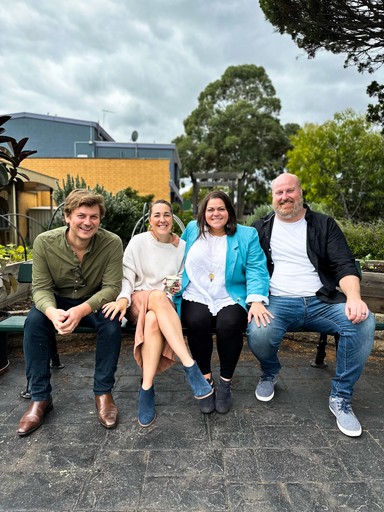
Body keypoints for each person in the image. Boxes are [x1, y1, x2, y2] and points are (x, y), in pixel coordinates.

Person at [247, 172, 375, 437]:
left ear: (300, 192)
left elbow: (344, 265)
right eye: (278, 193)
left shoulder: (324, 225)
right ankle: (270, 372)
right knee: (259, 332)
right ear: (272, 197)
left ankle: (341, 396)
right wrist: (256, 300)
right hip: (278, 302)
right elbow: (248, 266)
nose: (284, 197)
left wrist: (353, 297)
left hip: (322, 301)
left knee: (364, 322)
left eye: (289, 191)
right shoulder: (262, 228)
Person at [17, 189, 123, 436]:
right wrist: (53, 313)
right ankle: (40, 398)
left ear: (100, 219)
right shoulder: (45, 242)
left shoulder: (111, 243)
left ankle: (103, 393)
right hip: (57, 301)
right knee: (34, 322)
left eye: (94, 217)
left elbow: (111, 288)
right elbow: (41, 288)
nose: (88, 222)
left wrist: (82, 309)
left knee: (111, 323)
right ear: (67, 216)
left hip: (93, 302)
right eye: (81, 215)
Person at [102, 199, 213, 428]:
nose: (162, 219)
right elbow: (127, 276)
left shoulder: (182, 247)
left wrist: (171, 289)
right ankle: (190, 365)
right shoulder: (138, 242)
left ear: (172, 218)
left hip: (164, 308)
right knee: (156, 297)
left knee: (153, 319)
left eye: (167, 215)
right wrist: (123, 297)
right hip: (137, 299)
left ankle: (146, 389)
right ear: (149, 220)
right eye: (157, 215)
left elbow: (178, 283)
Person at [174, 190, 270, 415]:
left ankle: (225, 383)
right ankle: (205, 382)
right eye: (210, 209)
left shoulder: (247, 235)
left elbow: (257, 268)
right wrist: (172, 288)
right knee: (197, 322)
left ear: (229, 211)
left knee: (230, 324)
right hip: (196, 291)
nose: (215, 213)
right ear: (203, 213)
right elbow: (178, 262)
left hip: (229, 294)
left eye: (221, 209)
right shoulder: (191, 229)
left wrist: (256, 299)